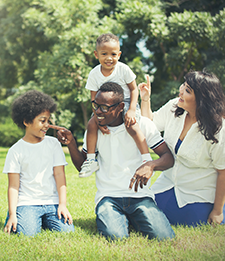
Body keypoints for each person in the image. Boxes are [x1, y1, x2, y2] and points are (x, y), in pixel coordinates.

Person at [50, 82, 175, 241]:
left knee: (164, 237)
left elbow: (168, 157)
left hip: (141, 196)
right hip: (108, 197)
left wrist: (151, 165)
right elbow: (83, 166)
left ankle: (132, 217)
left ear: (120, 106)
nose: (98, 112)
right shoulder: (94, 130)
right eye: (96, 106)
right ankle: (121, 218)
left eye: (104, 107)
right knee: (115, 237)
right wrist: (72, 143)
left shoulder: (143, 124)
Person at [139, 70, 225, 226]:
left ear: (202, 100)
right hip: (167, 184)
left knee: (194, 222)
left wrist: (217, 211)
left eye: (187, 90)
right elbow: (149, 125)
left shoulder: (218, 129)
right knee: (143, 215)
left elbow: (222, 171)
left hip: (199, 193)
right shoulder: (174, 106)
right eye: (183, 85)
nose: (181, 91)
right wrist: (145, 99)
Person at [3, 90, 74, 236]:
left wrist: (62, 205)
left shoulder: (54, 144)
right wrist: (12, 214)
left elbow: (59, 174)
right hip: (27, 203)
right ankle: (22, 216)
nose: (47, 125)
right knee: (27, 233)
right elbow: (13, 186)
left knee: (67, 231)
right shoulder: (15, 151)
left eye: (48, 120)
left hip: (52, 202)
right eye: (42, 121)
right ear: (26, 121)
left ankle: (42, 219)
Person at [79, 33, 150, 178]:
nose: (109, 58)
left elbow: (134, 89)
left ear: (119, 54)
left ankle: (146, 159)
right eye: (104, 54)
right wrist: (98, 117)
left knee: (132, 124)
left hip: (126, 102)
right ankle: (91, 160)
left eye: (113, 54)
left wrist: (131, 110)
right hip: (103, 106)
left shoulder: (123, 69)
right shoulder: (94, 74)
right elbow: (93, 99)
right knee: (91, 124)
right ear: (96, 54)